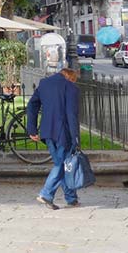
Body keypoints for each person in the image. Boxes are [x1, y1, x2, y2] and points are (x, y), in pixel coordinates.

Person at [26, 66, 81, 210]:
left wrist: (32, 128)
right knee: (61, 165)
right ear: (69, 77)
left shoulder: (44, 83)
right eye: (74, 80)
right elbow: (71, 114)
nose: (74, 83)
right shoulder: (70, 88)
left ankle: (71, 198)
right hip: (64, 133)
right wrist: (75, 137)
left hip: (47, 132)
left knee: (62, 164)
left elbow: (32, 105)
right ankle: (46, 193)